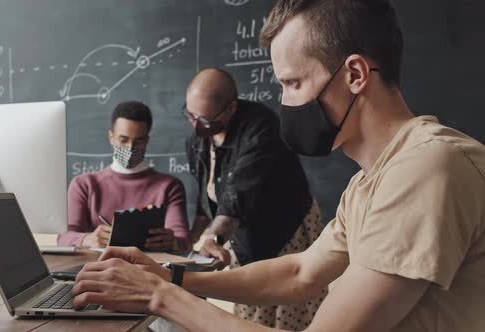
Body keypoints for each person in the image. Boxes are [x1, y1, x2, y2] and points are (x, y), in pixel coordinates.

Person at [70, 1, 485, 331]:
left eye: (293, 83)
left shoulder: (426, 167)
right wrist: (173, 277)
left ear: (355, 74)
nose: (284, 102)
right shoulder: (370, 181)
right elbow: (300, 271)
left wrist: (157, 296)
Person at [183, 68, 325, 328]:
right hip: (239, 235)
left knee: (291, 312)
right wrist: (193, 238)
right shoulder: (196, 140)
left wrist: (214, 238)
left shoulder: (260, 127)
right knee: (251, 311)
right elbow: (206, 197)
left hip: (285, 229)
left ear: (230, 108)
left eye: (203, 119)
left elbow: (239, 192)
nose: (195, 125)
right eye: (190, 115)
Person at [57, 101, 191, 252]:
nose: (130, 148)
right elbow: (63, 238)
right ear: (111, 137)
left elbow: (184, 240)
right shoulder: (84, 184)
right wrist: (87, 239)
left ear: (147, 141)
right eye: (123, 140)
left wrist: (172, 242)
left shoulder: (169, 186)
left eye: (138, 141)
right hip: (99, 269)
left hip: (149, 270)